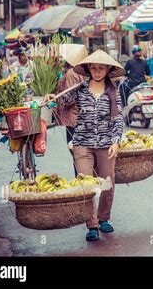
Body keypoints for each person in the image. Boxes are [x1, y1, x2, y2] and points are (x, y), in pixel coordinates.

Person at [44, 49, 125, 242]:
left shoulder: (113, 92)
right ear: (88, 69)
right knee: (86, 185)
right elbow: (62, 100)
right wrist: (51, 98)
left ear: (107, 69)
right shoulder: (79, 89)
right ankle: (92, 225)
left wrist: (116, 141)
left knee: (108, 183)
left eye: (101, 68)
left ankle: (104, 218)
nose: (97, 71)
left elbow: (117, 119)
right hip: (82, 143)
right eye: (94, 68)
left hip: (106, 144)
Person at [55, 44, 88, 177]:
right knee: (83, 152)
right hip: (85, 116)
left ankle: (80, 179)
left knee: (75, 152)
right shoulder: (85, 71)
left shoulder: (71, 73)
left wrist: (58, 99)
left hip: (73, 118)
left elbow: (70, 98)